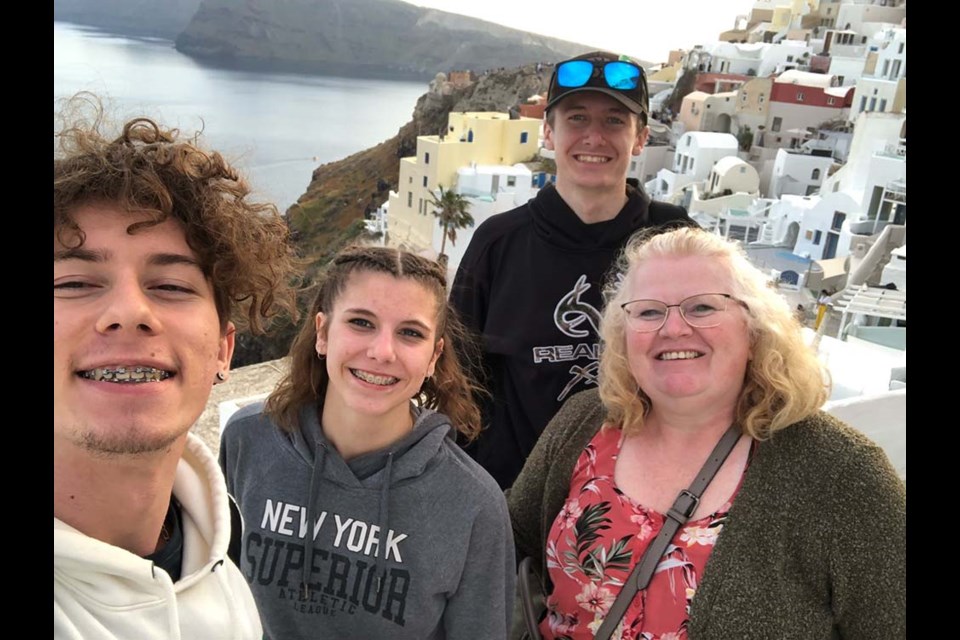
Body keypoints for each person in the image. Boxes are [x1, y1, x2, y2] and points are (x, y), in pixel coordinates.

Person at [508, 227, 905, 639]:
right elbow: (505, 544)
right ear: (623, 336)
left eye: (701, 308)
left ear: (754, 330)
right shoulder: (586, 421)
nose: (674, 328)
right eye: (648, 312)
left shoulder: (842, 476)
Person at [54, 94, 300, 638]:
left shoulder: (224, 565)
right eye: (73, 283)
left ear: (223, 351)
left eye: (170, 285)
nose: (128, 312)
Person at [220, 246, 516, 639]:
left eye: (410, 333)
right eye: (361, 323)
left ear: (433, 357)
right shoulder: (248, 440)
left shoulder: (473, 503)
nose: (381, 352)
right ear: (323, 332)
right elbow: (216, 593)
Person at [450, 50, 691, 489]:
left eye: (615, 121)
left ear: (640, 138)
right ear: (549, 133)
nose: (594, 137)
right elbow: (457, 380)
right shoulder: (499, 244)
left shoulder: (674, 237)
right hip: (517, 507)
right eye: (576, 118)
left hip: (649, 507)